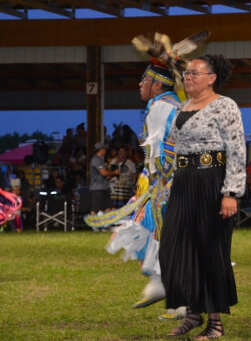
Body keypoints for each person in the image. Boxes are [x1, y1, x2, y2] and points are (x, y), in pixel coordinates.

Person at [85, 31, 208, 315]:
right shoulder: (171, 105)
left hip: (172, 181)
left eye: (144, 80)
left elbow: (165, 150)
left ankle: (177, 293)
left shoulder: (160, 107)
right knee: (154, 230)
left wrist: (157, 180)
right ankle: (169, 290)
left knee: (160, 232)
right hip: (177, 180)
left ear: (156, 84)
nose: (140, 85)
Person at [159, 53, 246, 340]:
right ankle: (193, 313)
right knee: (175, 248)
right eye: (187, 73)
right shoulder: (184, 106)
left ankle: (215, 322)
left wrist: (231, 193)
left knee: (210, 250)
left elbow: (236, 150)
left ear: (212, 78)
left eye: (196, 73)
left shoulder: (225, 106)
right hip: (183, 184)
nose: (189, 77)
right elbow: (177, 150)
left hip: (211, 183)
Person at [89, 142, 119, 217]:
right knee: (96, 207)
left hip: (104, 186)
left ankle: (106, 224)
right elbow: (103, 173)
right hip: (97, 188)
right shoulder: (96, 159)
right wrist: (114, 172)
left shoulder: (101, 160)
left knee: (107, 206)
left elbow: (103, 174)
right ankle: (94, 226)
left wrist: (108, 176)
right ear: (101, 150)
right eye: (104, 149)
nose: (105, 150)